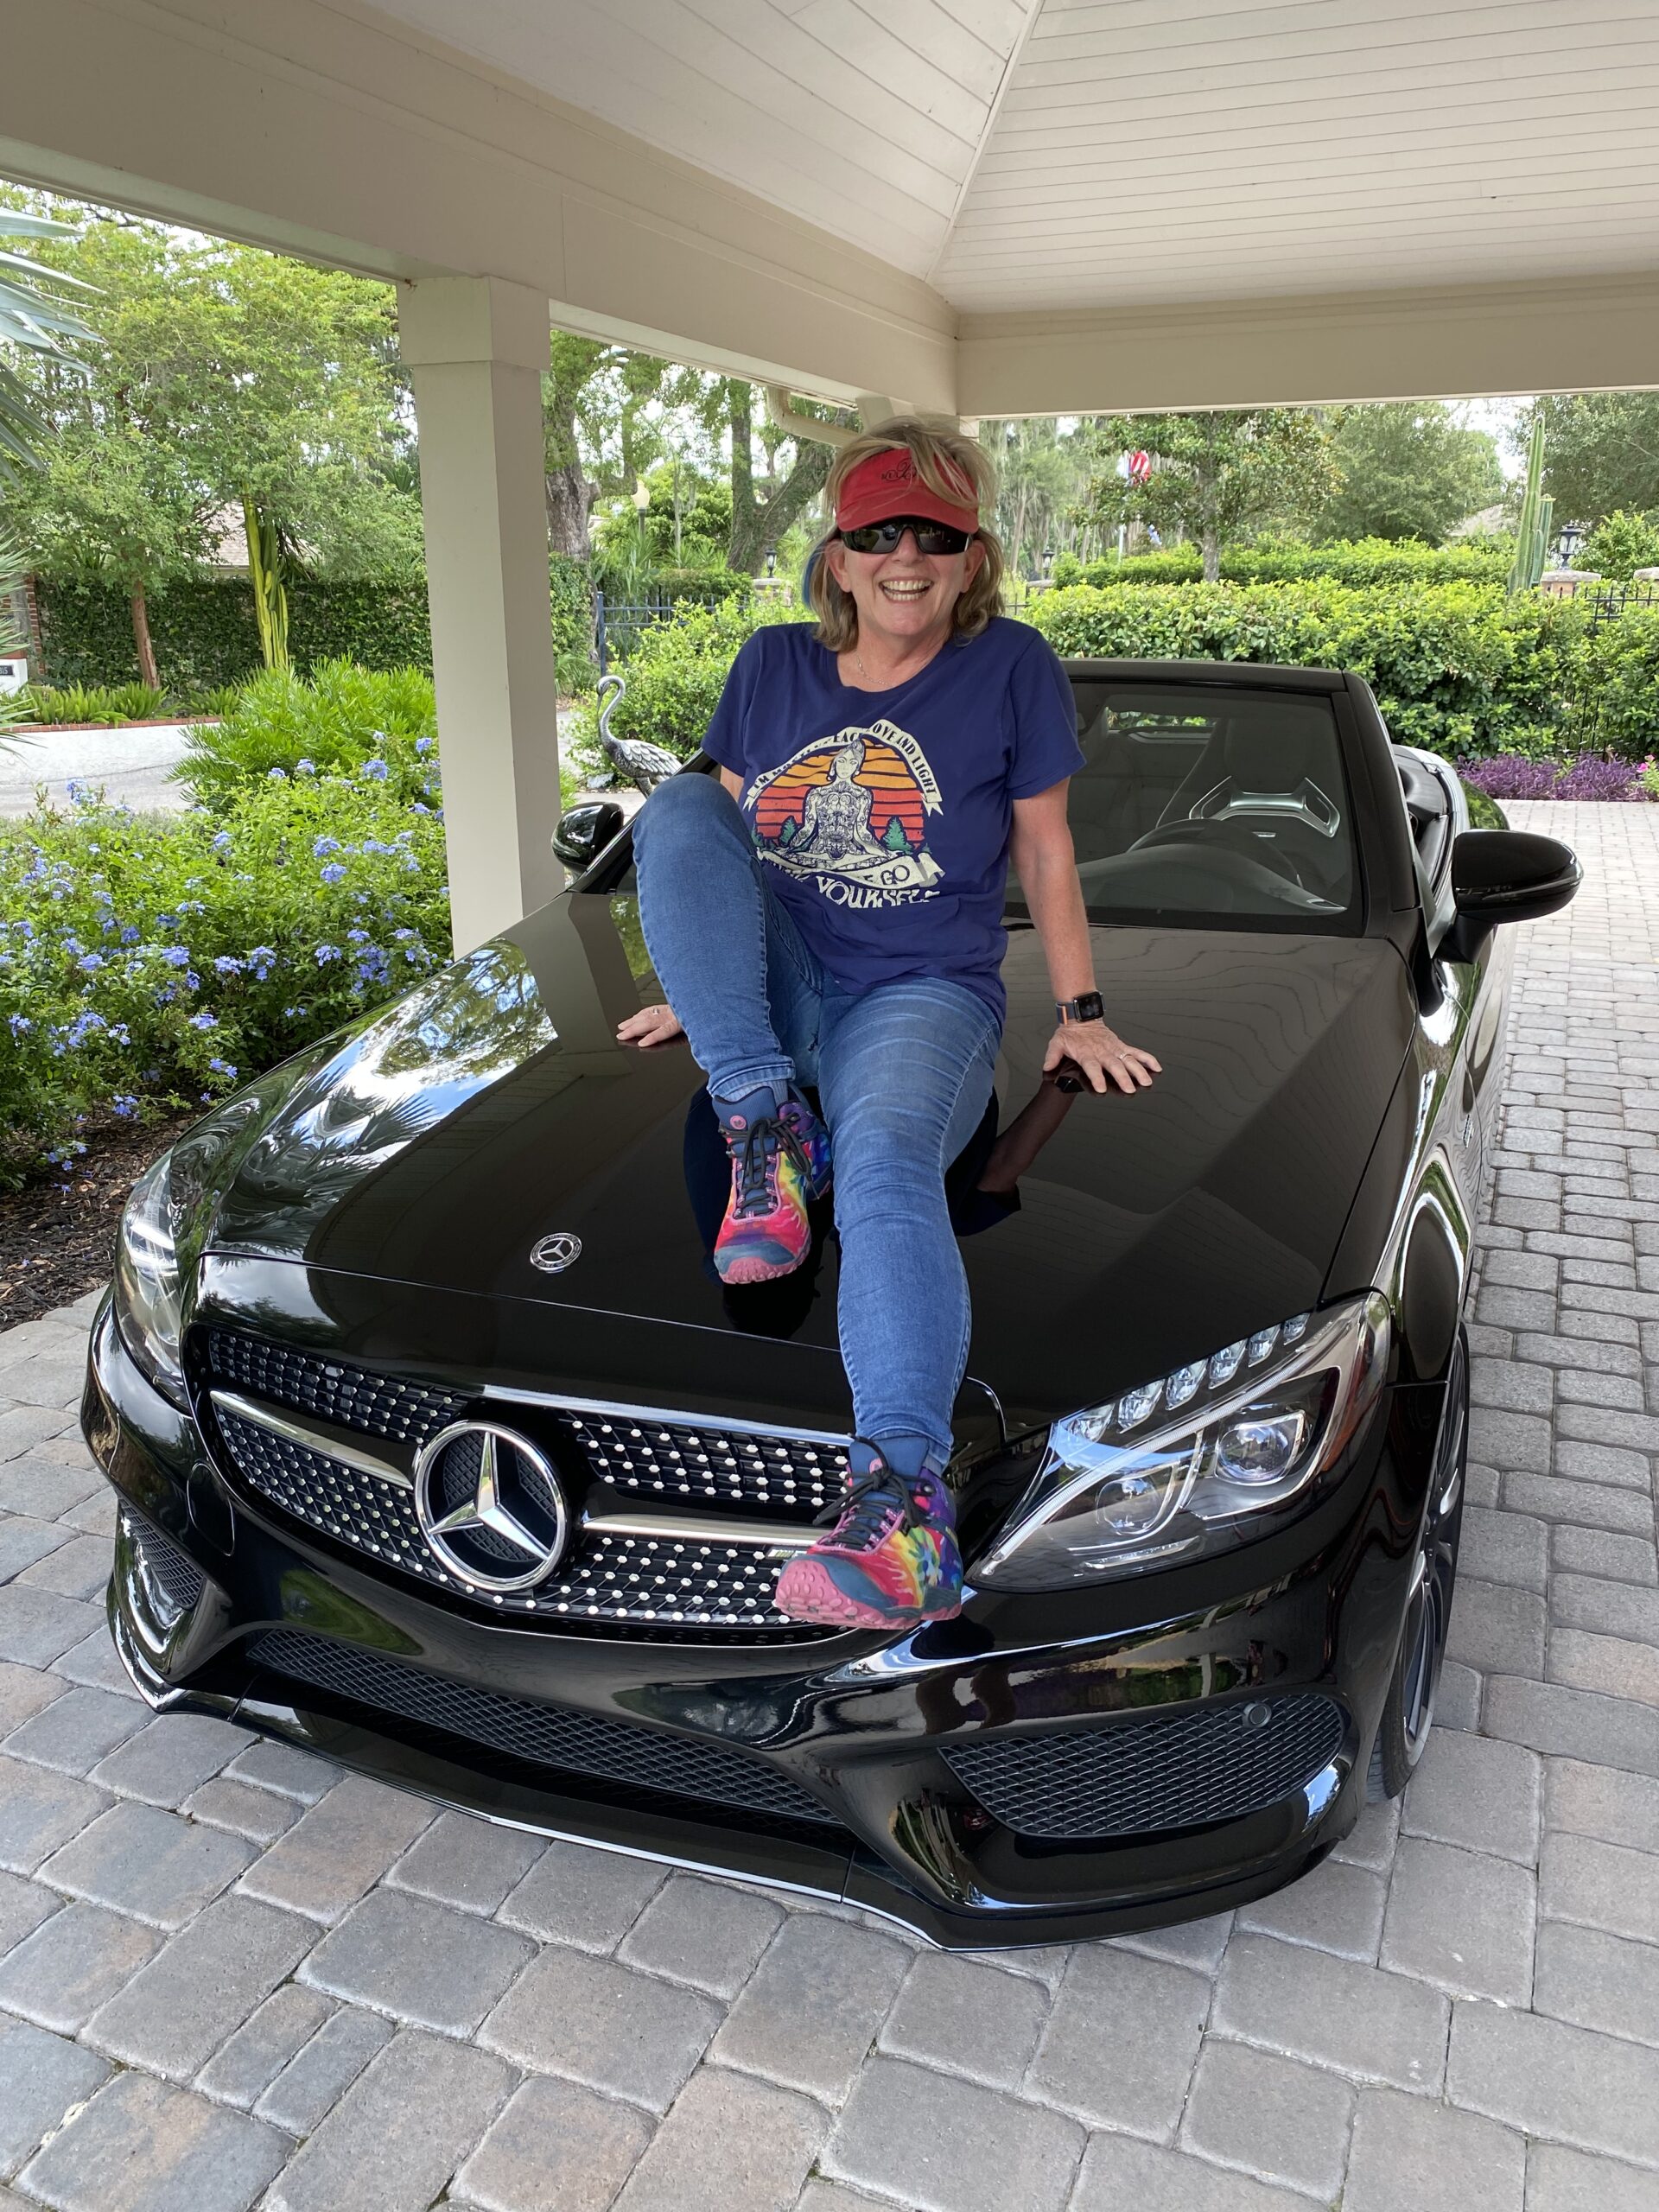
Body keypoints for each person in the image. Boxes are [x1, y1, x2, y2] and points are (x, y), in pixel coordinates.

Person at [620, 420, 1160, 1631]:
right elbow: (700, 839)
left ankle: (903, 1508)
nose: (905, 556)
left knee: (883, 1166)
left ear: (975, 557)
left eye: (936, 535)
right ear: (838, 554)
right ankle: (761, 1114)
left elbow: (1045, 848)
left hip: (921, 995)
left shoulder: (1012, 666)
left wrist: (1081, 1015)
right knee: (668, 805)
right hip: (783, 998)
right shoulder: (768, 664)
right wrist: (709, 999)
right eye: (879, 532)